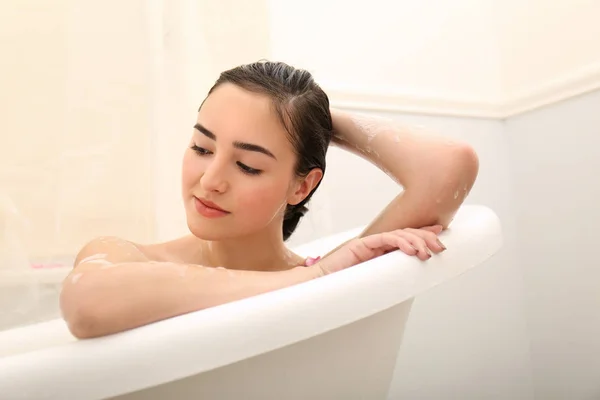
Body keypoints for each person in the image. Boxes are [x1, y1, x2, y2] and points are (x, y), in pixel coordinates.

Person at [60, 61, 479, 339]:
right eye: (202, 148)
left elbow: (450, 166)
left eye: (248, 166)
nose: (210, 179)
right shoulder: (123, 258)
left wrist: (311, 118)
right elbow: (85, 302)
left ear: (302, 186)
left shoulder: (338, 277)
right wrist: (308, 282)